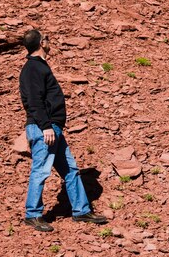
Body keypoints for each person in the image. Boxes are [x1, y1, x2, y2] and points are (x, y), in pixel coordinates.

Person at [19, 29, 107, 232]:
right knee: (40, 171)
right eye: (47, 39)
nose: (50, 42)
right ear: (42, 42)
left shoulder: (39, 67)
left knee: (70, 170)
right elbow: (33, 101)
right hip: (45, 129)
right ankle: (32, 214)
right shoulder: (33, 68)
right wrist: (46, 126)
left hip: (53, 129)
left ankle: (81, 210)